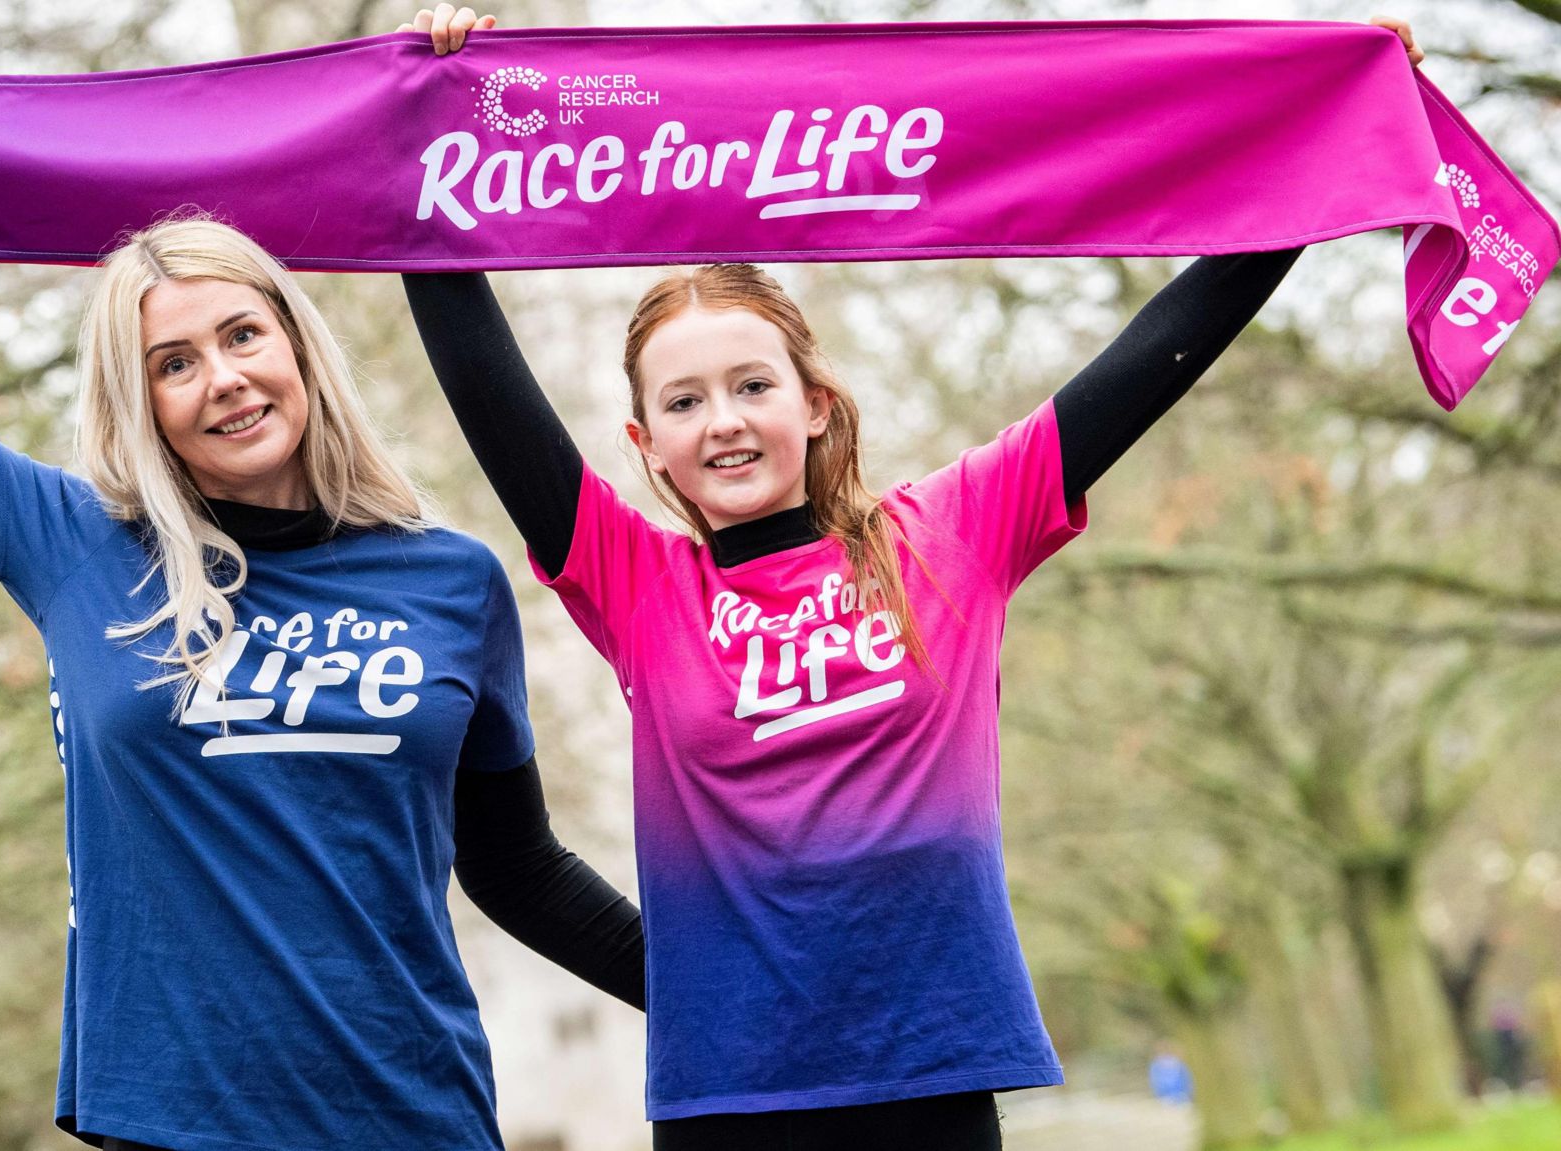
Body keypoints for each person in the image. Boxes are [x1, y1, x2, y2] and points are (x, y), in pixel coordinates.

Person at [398, 9, 1421, 1148]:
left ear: (813, 402)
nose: (722, 421)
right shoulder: (635, 585)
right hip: (730, 1105)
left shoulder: (955, 533)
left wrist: (1327, 129)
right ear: (644, 447)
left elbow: (1156, 354)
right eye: (682, 402)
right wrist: (436, 112)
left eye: (750, 384)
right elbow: (485, 386)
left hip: (935, 1082)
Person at [0, 214, 644, 1150]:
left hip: (416, 1110)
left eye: (242, 334)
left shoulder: (451, 578)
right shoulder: (75, 547)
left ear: (296, 344)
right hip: (173, 1119)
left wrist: (758, 1003)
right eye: (174, 362)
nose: (223, 378)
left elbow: (519, 870)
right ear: (141, 402)